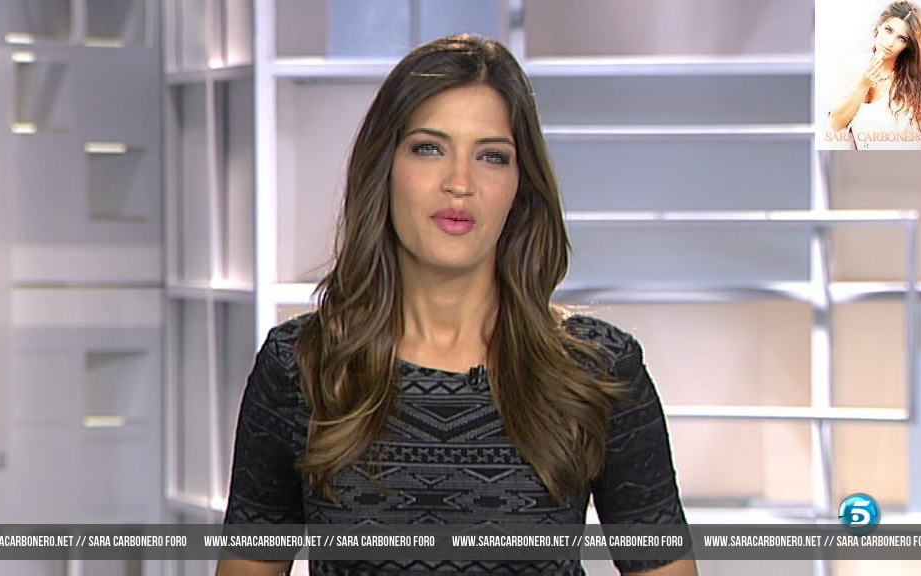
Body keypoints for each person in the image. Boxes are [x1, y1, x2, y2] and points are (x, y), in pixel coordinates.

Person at [217, 33, 697, 576]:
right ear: (385, 167)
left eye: (492, 156)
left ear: (520, 185)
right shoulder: (301, 365)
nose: (460, 184)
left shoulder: (598, 369)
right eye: (430, 148)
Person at [827, 1, 921, 149]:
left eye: (902, 38)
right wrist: (863, 85)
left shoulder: (916, 82)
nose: (890, 42)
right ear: (878, 26)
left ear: (908, 46)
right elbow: (835, 123)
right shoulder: (852, 66)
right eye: (888, 30)